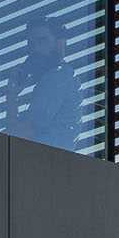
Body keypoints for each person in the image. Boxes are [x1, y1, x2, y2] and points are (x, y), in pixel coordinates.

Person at [7, 14, 83, 151]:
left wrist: (11, 96)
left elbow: (17, 136)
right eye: (31, 44)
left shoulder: (55, 79)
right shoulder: (63, 77)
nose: (35, 49)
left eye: (42, 41)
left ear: (59, 43)